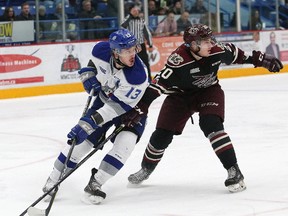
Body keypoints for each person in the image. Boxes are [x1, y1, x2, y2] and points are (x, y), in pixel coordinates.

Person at [122, 24, 283, 193]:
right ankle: (146, 169)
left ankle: (234, 170)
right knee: (162, 134)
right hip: (180, 97)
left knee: (211, 125)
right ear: (192, 44)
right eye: (205, 42)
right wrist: (141, 107)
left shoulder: (218, 50)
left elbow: (241, 56)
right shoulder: (178, 60)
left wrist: (263, 60)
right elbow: (158, 86)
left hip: (209, 91)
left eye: (210, 40)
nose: (210, 44)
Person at [42, 29, 149, 204]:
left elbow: (114, 109)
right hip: (104, 101)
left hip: (131, 110)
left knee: (125, 146)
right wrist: (88, 75)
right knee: (80, 145)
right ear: (115, 51)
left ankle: (96, 183)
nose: (133, 54)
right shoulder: (101, 50)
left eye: (134, 49)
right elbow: (93, 65)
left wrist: (88, 124)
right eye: (127, 51)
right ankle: (53, 179)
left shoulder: (137, 76)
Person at [121, 4, 154, 81]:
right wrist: (130, 16)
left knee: (145, 63)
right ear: (130, 12)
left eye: (137, 11)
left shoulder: (141, 20)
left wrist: (150, 45)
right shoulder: (127, 19)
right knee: (130, 63)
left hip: (141, 45)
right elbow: (123, 26)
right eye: (134, 11)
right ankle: (130, 79)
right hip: (130, 46)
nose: (136, 12)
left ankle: (148, 79)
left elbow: (147, 33)